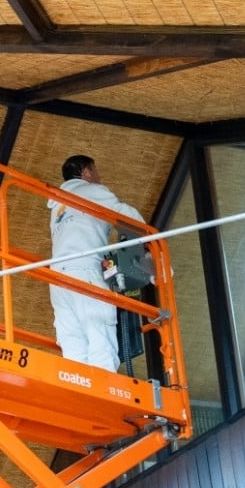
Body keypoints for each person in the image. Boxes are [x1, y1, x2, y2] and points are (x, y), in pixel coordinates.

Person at [48, 154, 144, 371]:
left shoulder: (57, 207)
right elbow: (127, 217)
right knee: (98, 329)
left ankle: (80, 392)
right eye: (96, 171)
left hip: (57, 278)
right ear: (86, 172)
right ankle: (107, 389)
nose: (98, 176)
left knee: (73, 341)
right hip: (85, 270)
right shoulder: (91, 191)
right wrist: (152, 248)